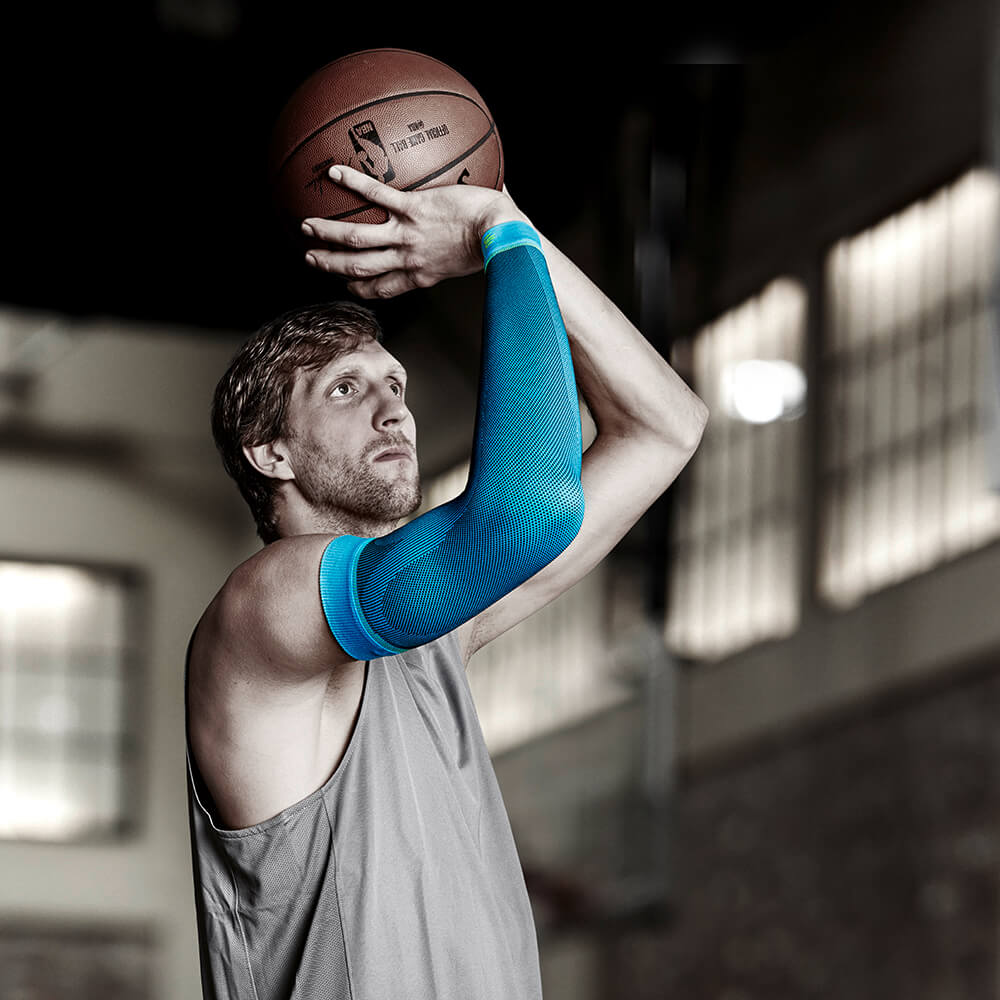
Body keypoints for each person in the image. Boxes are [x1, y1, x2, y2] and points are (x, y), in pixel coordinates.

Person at [185, 163, 709, 1000]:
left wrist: (513, 227)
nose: (393, 410)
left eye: (394, 383)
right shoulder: (264, 604)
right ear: (269, 453)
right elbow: (520, 516)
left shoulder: (430, 632)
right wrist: (496, 242)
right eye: (346, 390)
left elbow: (667, 426)